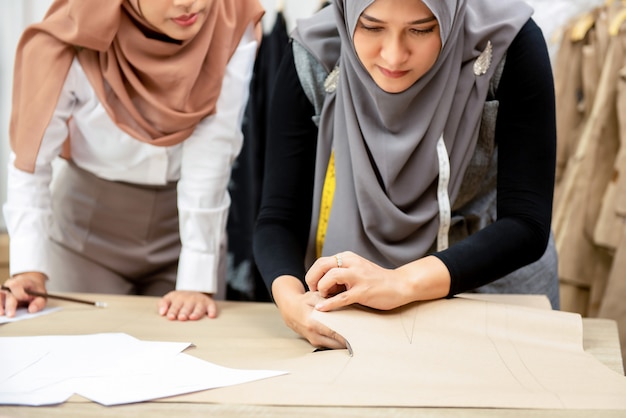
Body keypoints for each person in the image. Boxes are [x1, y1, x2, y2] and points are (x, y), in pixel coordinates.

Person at [253, 0, 558, 349]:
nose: (394, 55)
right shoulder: (315, 56)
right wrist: (292, 302)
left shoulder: (505, 43)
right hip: (361, 310)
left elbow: (526, 222)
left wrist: (401, 283)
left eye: (421, 29)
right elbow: (278, 216)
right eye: (371, 27)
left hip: (496, 296)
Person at [0, 0, 264, 321]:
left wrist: (197, 276)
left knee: (191, 356)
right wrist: (29, 269)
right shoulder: (72, 31)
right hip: (85, 238)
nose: (188, 2)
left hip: (190, 229)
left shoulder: (231, 18)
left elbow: (213, 149)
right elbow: (32, 162)